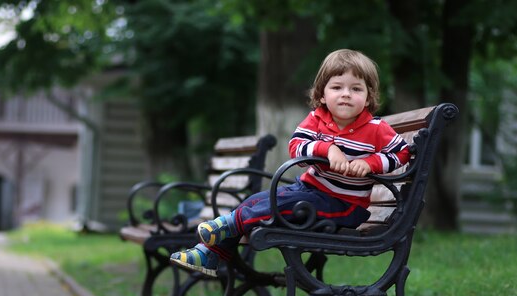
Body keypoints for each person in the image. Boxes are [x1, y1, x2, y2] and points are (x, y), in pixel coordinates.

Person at [170, 49, 411, 277]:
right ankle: (212, 253)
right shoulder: (316, 120)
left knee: (282, 204)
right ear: (322, 95)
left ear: (369, 96)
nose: (346, 94)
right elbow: (296, 146)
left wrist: (371, 163)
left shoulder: (376, 129)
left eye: (356, 89)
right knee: (257, 200)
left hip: (344, 205)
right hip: (309, 190)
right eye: (337, 87)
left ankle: (228, 225)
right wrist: (327, 148)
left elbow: (401, 154)